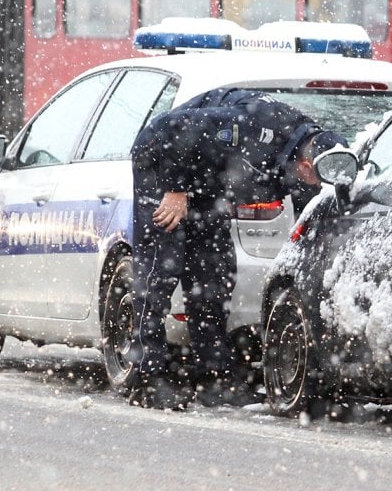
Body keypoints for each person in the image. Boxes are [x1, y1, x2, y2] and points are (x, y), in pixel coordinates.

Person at [126, 87, 347, 409]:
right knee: (162, 267)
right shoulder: (255, 126)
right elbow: (176, 129)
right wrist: (175, 190)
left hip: (207, 179)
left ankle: (214, 380)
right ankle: (148, 380)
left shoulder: (317, 155)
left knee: (212, 277)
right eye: (312, 178)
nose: (312, 185)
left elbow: (307, 208)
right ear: (304, 165)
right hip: (163, 160)